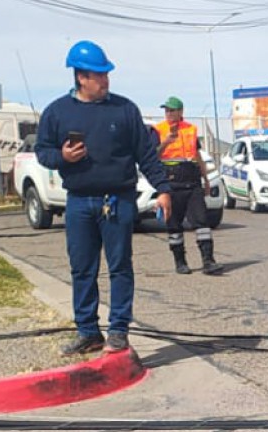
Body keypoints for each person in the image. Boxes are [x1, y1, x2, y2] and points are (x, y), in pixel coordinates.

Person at [33, 40, 173, 355]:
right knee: (82, 267)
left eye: (107, 74)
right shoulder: (57, 112)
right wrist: (62, 157)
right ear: (81, 77)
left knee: (120, 266)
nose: (106, 80)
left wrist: (163, 189)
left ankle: (119, 330)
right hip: (79, 202)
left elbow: (146, 155)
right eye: (99, 75)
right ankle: (88, 331)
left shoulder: (124, 109)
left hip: (118, 200)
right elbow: (42, 152)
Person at [152, 97, 222, 275]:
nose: (169, 114)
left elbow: (197, 155)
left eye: (172, 110)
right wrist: (167, 141)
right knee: (174, 225)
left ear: (181, 111)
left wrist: (205, 179)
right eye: (166, 110)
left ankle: (208, 261)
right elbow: (152, 156)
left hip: (192, 180)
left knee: (202, 221)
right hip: (171, 181)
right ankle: (180, 261)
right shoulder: (158, 130)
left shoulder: (190, 129)